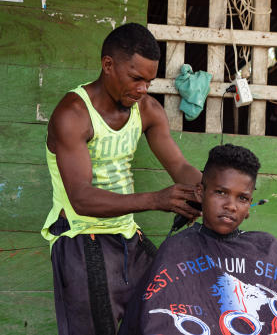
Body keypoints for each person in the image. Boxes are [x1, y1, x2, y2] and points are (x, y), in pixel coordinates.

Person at [42, 23, 202, 335]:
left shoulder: (148, 110)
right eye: (136, 78)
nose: (143, 88)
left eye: (149, 81)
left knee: (174, 315)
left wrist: (211, 193)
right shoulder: (73, 114)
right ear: (108, 65)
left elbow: (179, 166)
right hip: (78, 237)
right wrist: (156, 200)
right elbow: (81, 198)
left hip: (127, 236)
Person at [119, 144, 277, 335]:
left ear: (250, 206)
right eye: (221, 192)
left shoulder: (266, 247)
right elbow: (155, 320)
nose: (230, 205)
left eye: (242, 198)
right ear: (201, 193)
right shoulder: (177, 249)